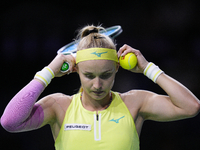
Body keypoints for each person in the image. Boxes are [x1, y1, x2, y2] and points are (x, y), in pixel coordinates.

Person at [1, 25, 200, 150]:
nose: (97, 85)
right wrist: (48, 72)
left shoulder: (134, 103)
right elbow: (10, 121)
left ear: (116, 68)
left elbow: (191, 106)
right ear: (76, 69)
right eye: (88, 76)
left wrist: (148, 68)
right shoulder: (59, 106)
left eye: (105, 75)